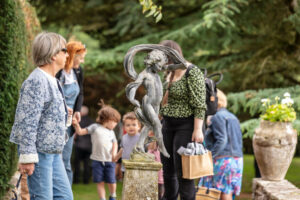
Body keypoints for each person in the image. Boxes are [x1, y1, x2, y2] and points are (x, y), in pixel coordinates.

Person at [10, 32, 73, 199]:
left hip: (53, 153)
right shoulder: (36, 81)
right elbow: (27, 122)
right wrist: (28, 157)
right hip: (39, 155)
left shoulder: (53, 80)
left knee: (65, 197)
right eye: (64, 50)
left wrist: (65, 114)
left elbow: (45, 115)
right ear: (52, 55)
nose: (67, 54)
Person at [160, 40, 206, 200]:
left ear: (173, 55)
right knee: (167, 171)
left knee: (184, 172)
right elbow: (164, 103)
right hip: (167, 125)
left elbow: (200, 103)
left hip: (186, 126)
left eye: (165, 58)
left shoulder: (192, 71)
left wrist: (198, 129)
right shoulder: (170, 73)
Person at [199, 89, 243, 200]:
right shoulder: (233, 117)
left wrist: (210, 156)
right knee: (228, 191)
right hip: (237, 160)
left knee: (221, 192)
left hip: (223, 160)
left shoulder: (217, 116)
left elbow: (222, 139)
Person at [72, 101, 120, 200]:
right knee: (100, 181)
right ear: (108, 119)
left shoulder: (111, 132)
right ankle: (102, 198)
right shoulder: (95, 127)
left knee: (111, 181)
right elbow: (80, 132)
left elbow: (115, 143)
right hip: (97, 161)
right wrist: (76, 124)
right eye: (115, 122)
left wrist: (114, 154)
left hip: (109, 161)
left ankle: (113, 195)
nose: (115, 125)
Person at [56, 40, 86, 185]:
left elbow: (80, 94)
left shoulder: (78, 71)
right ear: (72, 55)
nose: (82, 61)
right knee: (55, 158)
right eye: (81, 57)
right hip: (55, 121)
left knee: (66, 160)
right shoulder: (57, 72)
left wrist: (77, 111)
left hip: (69, 123)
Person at [73, 105, 94, 184]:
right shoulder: (91, 121)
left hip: (79, 145)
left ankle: (76, 180)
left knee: (77, 163)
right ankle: (86, 180)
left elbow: (75, 133)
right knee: (87, 163)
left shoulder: (78, 121)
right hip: (89, 145)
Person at [147, 131, 164, 200]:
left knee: (160, 195)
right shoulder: (151, 151)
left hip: (161, 179)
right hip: (153, 178)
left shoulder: (161, 151)